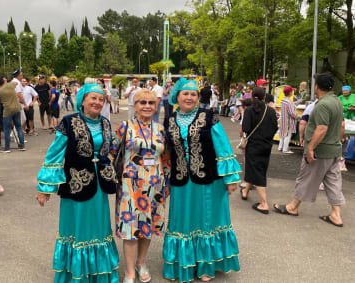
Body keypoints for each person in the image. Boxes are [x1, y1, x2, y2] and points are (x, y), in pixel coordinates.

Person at [37, 83, 119, 283]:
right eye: (93, 98)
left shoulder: (105, 123)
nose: (97, 102)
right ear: (82, 100)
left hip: (99, 187)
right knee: (77, 229)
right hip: (75, 186)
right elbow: (54, 154)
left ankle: (99, 274)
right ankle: (77, 274)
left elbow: (109, 151)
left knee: (99, 229)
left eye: (100, 99)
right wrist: (45, 187)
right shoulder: (68, 122)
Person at [163, 78, 241, 282]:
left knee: (207, 221)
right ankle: (185, 262)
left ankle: (206, 265)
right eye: (185, 94)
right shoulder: (169, 119)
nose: (189, 97)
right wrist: (166, 179)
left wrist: (230, 177)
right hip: (181, 181)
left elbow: (223, 145)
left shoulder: (209, 116)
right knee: (183, 221)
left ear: (198, 98)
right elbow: (169, 152)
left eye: (193, 94)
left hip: (209, 181)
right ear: (177, 96)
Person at [273, 73, 346, 227]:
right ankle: (336, 214)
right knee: (333, 182)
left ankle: (292, 207)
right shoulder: (337, 102)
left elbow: (321, 128)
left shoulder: (323, 105)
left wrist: (310, 148)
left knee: (305, 178)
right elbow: (341, 125)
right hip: (334, 150)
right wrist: (337, 141)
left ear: (317, 86)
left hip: (320, 151)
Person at [113, 89, 169, 283]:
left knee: (148, 226)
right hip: (130, 185)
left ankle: (141, 262)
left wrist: (167, 183)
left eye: (151, 103)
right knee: (130, 228)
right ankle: (129, 271)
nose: (147, 106)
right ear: (135, 106)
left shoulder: (161, 129)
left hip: (155, 184)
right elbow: (112, 153)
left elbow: (166, 158)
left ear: (156, 106)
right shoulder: (125, 127)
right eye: (142, 102)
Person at [240, 87, 278, 214]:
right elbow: (275, 128)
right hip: (266, 145)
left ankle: (264, 204)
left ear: (252, 97)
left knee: (257, 171)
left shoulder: (250, 110)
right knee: (257, 169)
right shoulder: (271, 111)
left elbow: (245, 128)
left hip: (253, 145)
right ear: (264, 97)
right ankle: (245, 191)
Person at [0, 77, 26, 152]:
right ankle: (22, 145)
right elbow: (16, 83)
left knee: (7, 129)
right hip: (17, 108)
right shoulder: (11, 85)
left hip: (7, 110)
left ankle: (7, 148)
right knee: (18, 127)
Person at [278, 86, 300, 154]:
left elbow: (291, 105)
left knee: (282, 134)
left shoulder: (283, 100)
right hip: (289, 121)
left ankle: (280, 147)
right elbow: (292, 113)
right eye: (292, 91)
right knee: (288, 134)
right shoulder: (289, 101)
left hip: (283, 120)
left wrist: (299, 101)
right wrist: (299, 117)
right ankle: (285, 149)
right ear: (290, 92)